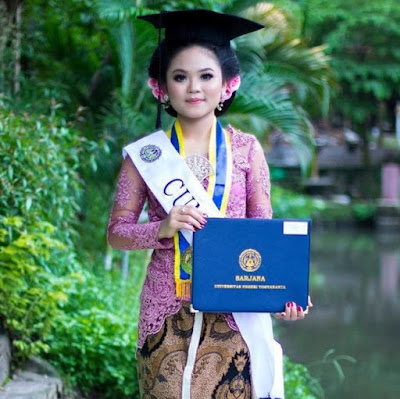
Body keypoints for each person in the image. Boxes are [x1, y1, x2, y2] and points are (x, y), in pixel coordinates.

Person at [107, 9, 311, 399]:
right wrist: (161, 227)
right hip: (166, 314)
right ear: (160, 87)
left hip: (235, 316)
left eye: (206, 76)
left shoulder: (248, 151)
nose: (193, 88)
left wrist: (286, 294)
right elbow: (116, 234)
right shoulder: (146, 157)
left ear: (228, 84)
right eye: (180, 77)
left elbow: (262, 237)